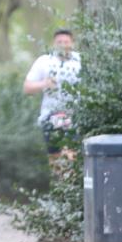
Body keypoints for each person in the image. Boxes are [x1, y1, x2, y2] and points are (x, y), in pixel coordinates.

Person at [23, 28, 81, 165]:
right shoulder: (44, 61)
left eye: (66, 42)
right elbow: (27, 88)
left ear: (72, 43)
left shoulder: (80, 61)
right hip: (50, 116)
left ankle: (70, 183)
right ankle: (59, 183)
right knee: (55, 159)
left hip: (75, 116)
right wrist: (44, 83)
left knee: (71, 155)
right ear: (54, 43)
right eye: (59, 42)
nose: (63, 45)